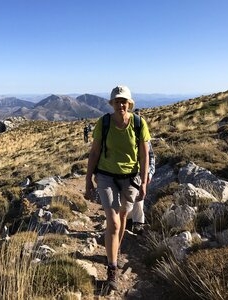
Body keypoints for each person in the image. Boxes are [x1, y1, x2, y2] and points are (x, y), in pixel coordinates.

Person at [84, 85, 151, 291]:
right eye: (117, 101)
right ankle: (112, 268)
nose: (121, 104)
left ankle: (114, 250)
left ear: (129, 103)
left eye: (124, 101)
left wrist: (144, 181)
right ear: (112, 103)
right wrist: (88, 179)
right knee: (112, 221)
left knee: (122, 218)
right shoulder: (103, 123)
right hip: (106, 177)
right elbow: (94, 153)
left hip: (130, 179)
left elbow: (144, 155)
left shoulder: (139, 124)